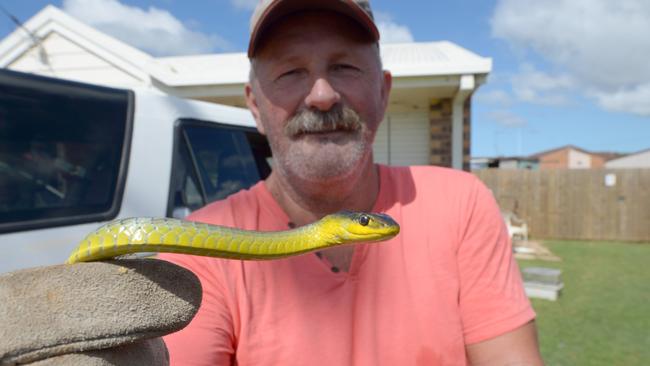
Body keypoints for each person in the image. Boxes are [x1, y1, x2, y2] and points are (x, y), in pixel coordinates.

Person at [160, 0, 544, 365]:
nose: (323, 95)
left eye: (345, 66)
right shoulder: (195, 246)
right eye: (291, 72)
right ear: (255, 107)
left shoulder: (463, 204)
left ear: (383, 92)